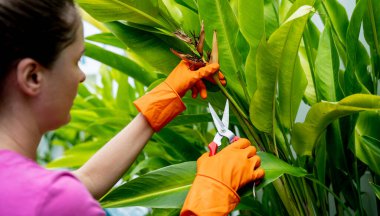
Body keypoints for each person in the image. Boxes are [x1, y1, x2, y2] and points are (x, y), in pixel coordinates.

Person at [0, 0, 264, 215]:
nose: (81, 76)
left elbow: (84, 184)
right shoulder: (51, 201)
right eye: (76, 61)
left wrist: (164, 97)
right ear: (32, 77)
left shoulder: (27, 191)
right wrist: (212, 194)